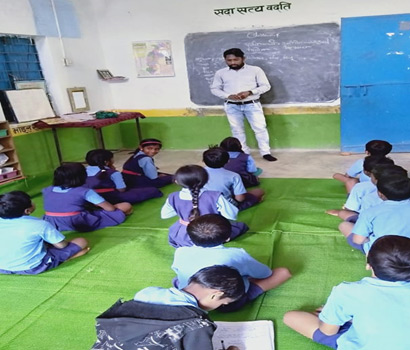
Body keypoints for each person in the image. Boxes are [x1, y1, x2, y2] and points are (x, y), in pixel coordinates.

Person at [283, 235, 410, 350]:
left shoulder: (347, 292)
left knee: (291, 317)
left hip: (360, 343)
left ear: (368, 262)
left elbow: (328, 331)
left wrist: (330, 316)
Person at [90, 265, 245, 350]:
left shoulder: (147, 292)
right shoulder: (198, 324)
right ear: (216, 295)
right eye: (223, 303)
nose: (219, 307)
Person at [172, 214, 292, 312]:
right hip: (226, 304)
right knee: (283, 272)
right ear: (228, 238)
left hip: (187, 294)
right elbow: (265, 273)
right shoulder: (236, 255)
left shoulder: (180, 251)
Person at [210, 48, 276, 161]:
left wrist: (250, 92)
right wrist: (228, 95)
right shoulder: (220, 73)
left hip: (252, 104)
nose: (233, 63)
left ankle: (265, 153)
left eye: (236, 60)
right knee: (237, 130)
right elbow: (214, 89)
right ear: (225, 60)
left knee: (260, 128)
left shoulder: (255, 70)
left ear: (243, 58)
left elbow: (266, 86)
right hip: (232, 105)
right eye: (229, 60)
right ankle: (243, 153)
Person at [0, 191, 89, 275]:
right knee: (81, 241)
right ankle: (62, 259)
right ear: (27, 211)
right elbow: (62, 245)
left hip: (2, 267)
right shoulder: (40, 225)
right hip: (32, 267)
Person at [161, 165, 248, 248]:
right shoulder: (215, 196)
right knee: (240, 226)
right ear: (206, 180)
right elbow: (232, 215)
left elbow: (165, 215)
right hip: (210, 234)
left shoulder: (173, 196)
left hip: (183, 237)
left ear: (176, 181)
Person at [43, 162, 132, 232]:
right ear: (82, 176)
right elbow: (110, 208)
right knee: (126, 205)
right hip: (78, 221)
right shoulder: (85, 191)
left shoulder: (47, 189)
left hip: (52, 222)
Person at [338, 175, 410, 254]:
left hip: (380, 251)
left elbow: (358, 240)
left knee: (344, 225)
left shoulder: (370, 212)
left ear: (380, 194)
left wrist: (370, 238)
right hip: (405, 251)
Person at [326, 156, 394, 221]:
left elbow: (350, 209)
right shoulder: (400, 185)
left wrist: (343, 211)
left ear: (366, 172)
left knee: (343, 216)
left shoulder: (361, 187)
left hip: (370, 219)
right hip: (395, 217)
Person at [85, 149, 163, 204]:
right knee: (153, 190)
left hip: (91, 198)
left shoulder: (84, 171)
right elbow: (121, 190)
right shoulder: (113, 173)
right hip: (113, 197)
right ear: (107, 162)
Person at [202, 147, 264, 211]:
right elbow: (240, 199)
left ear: (203, 161)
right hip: (225, 206)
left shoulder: (197, 172)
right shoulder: (234, 176)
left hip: (203, 204)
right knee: (259, 192)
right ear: (228, 161)